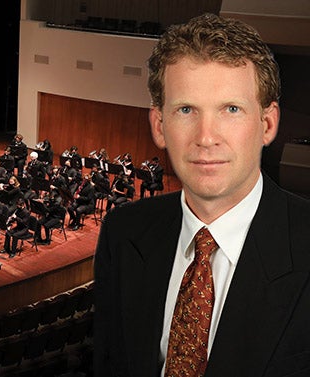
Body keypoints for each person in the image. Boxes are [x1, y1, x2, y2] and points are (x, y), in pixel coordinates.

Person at [94, 14, 310, 376]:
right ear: (160, 127)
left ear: (267, 124)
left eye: (231, 109)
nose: (206, 137)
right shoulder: (123, 231)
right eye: (186, 110)